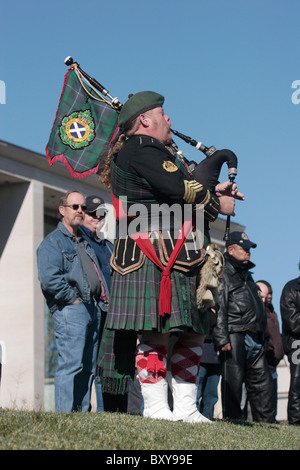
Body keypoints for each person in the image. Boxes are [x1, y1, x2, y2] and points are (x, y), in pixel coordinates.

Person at [97, 91, 244, 423]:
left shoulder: (151, 150)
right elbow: (180, 189)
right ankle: (158, 408)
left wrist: (211, 191)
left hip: (176, 251)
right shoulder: (141, 147)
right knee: (156, 332)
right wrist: (216, 203)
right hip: (152, 251)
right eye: (163, 113)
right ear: (145, 120)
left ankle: (187, 408)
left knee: (191, 330)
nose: (169, 119)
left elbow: (182, 184)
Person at [37, 190, 109, 412]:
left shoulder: (82, 241)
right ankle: (64, 416)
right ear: (62, 210)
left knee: (87, 367)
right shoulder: (53, 242)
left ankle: (80, 414)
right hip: (72, 310)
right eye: (75, 207)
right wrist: (74, 300)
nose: (80, 211)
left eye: (82, 208)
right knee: (71, 364)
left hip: (92, 308)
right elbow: (49, 279)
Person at [213, 231, 275, 423]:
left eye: (249, 249)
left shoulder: (247, 276)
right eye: (244, 248)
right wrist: (222, 337)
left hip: (255, 336)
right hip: (234, 334)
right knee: (233, 381)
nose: (248, 253)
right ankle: (233, 420)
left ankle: (265, 423)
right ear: (230, 249)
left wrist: (264, 337)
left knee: (262, 383)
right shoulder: (223, 273)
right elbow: (220, 307)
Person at [78, 195, 113, 412]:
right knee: (85, 363)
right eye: (92, 214)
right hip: (89, 308)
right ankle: (81, 409)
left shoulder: (107, 245)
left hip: (110, 311)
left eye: (101, 215)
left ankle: (104, 411)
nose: (97, 218)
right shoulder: (77, 241)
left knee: (104, 366)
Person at [256, 280, 284, 419]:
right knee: (264, 395)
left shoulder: (273, 313)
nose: (269, 297)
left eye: (271, 293)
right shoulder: (260, 312)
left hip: (274, 363)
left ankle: (272, 419)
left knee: (273, 396)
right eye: (267, 294)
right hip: (265, 360)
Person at [280, 268, 300, 425]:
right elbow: (293, 322)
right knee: (297, 382)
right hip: (297, 343)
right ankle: (296, 422)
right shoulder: (291, 288)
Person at [196, 310, 221, 420]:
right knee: (197, 390)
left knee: (211, 393)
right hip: (201, 350)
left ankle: (207, 417)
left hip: (216, 355)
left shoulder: (220, 305)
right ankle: (194, 417)